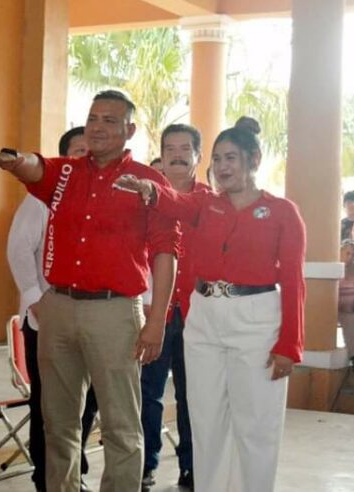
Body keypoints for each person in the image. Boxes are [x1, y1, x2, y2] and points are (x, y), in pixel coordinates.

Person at [0, 89, 179, 492]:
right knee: (58, 424)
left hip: (115, 313)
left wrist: (156, 319)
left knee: (122, 426)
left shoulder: (149, 181)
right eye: (93, 118)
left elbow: (166, 252)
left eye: (110, 120)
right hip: (58, 309)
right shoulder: (67, 172)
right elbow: (37, 167)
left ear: (130, 130)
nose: (98, 127)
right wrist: (16, 161)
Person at [116, 118, 306, 492]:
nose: (222, 166)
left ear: (254, 159)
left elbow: (294, 281)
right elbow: (176, 201)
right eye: (217, 159)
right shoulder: (205, 203)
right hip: (203, 317)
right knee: (206, 420)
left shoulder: (283, 212)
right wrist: (148, 189)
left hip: (256, 319)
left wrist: (290, 345)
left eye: (231, 157)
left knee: (255, 424)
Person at [7, 126, 98, 492]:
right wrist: (36, 300)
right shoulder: (42, 198)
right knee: (49, 405)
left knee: (86, 401)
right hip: (46, 319)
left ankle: (72, 474)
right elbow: (17, 250)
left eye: (89, 151)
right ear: (61, 161)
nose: (84, 158)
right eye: (77, 151)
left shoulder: (102, 198)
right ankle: (46, 479)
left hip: (89, 319)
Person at [140, 124, 208, 491]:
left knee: (191, 395)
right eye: (170, 148)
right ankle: (145, 464)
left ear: (198, 155)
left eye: (186, 148)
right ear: (162, 154)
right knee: (147, 393)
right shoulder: (145, 198)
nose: (177, 154)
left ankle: (191, 466)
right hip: (154, 313)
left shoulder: (213, 202)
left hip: (199, 316)